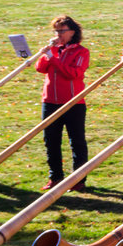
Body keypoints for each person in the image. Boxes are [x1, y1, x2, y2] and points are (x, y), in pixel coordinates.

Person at [37, 14, 91, 190]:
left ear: (72, 32)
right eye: (56, 31)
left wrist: (53, 58)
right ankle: (55, 177)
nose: (58, 34)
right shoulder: (54, 49)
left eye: (61, 31)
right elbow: (40, 68)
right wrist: (47, 53)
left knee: (77, 141)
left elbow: (73, 74)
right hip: (50, 101)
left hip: (73, 103)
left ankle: (78, 180)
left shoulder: (81, 52)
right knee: (51, 141)